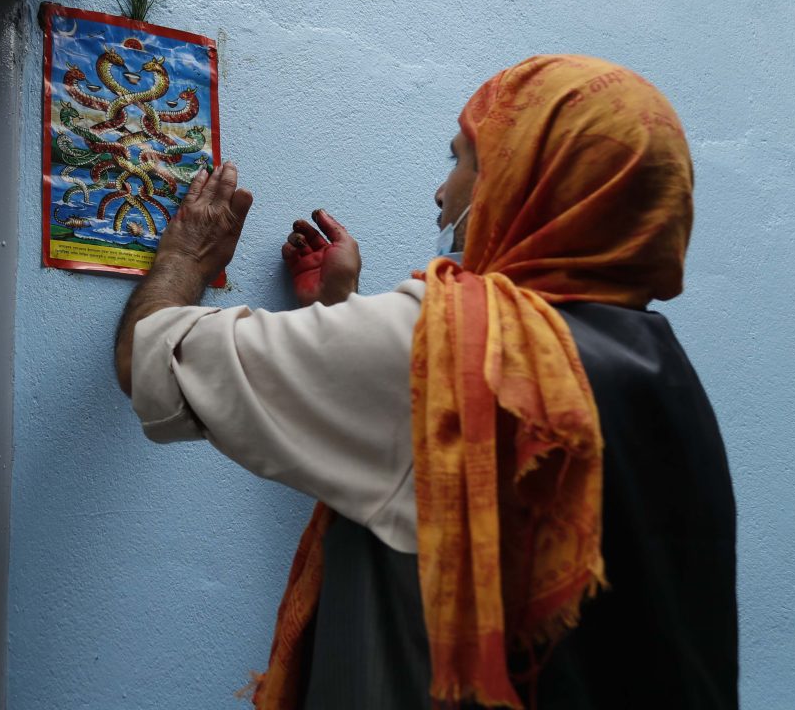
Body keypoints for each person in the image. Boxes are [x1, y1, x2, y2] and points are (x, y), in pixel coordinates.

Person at [114, 55, 737, 710]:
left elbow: (147, 359)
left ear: (526, 175)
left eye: (462, 160)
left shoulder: (445, 346)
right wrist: (338, 309)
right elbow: (418, 468)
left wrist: (187, 256)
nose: (443, 194)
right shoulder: (666, 373)